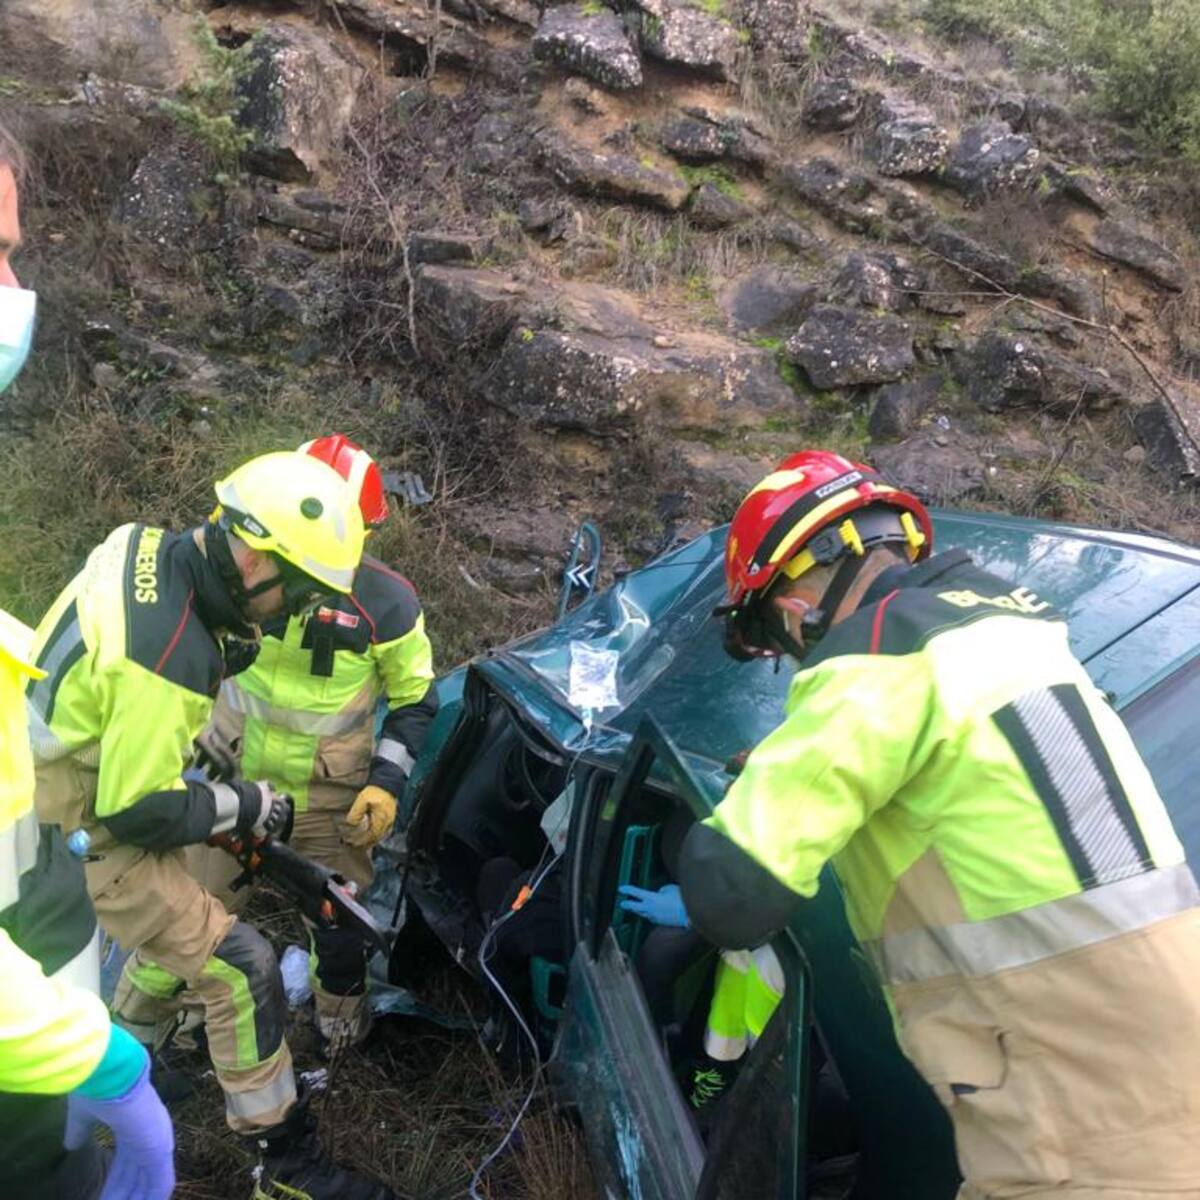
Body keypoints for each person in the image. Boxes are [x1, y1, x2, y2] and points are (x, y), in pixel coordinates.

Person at [642, 449, 1200, 1198]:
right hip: (1154, 1043)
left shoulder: (877, 661)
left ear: (791, 603)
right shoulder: (1018, 640)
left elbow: (733, 895)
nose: (789, 653)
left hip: (1073, 1101)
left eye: (773, 638)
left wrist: (771, 784)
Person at [28, 439, 394, 1200]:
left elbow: (133, 729)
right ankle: (287, 1169)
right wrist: (245, 805)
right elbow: (138, 808)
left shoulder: (142, 546)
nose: (295, 613)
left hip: (55, 777)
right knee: (242, 967)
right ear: (255, 561)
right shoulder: (168, 657)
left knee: (190, 926)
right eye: (293, 594)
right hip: (72, 829)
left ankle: (126, 1058)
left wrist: (218, 798)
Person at [0, 121, 174, 1200]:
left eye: (9, 255)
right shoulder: (170, 640)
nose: (15, 295)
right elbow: (150, 805)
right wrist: (101, 1063)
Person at [192, 433, 438, 1053]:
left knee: (338, 927)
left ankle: (338, 1036)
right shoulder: (231, 573)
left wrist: (384, 784)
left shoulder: (387, 602)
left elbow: (415, 698)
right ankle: (188, 1026)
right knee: (192, 914)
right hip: (229, 780)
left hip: (327, 799)